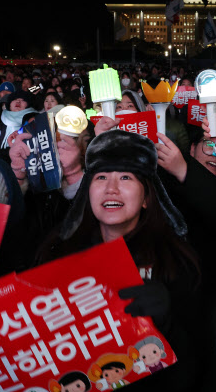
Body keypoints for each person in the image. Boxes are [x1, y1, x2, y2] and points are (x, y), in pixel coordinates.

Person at [36, 130, 200, 391]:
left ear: (146, 197)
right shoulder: (59, 253)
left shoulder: (175, 261)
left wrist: (167, 324)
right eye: (101, 177)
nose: (111, 189)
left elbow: (194, 369)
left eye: (125, 177)